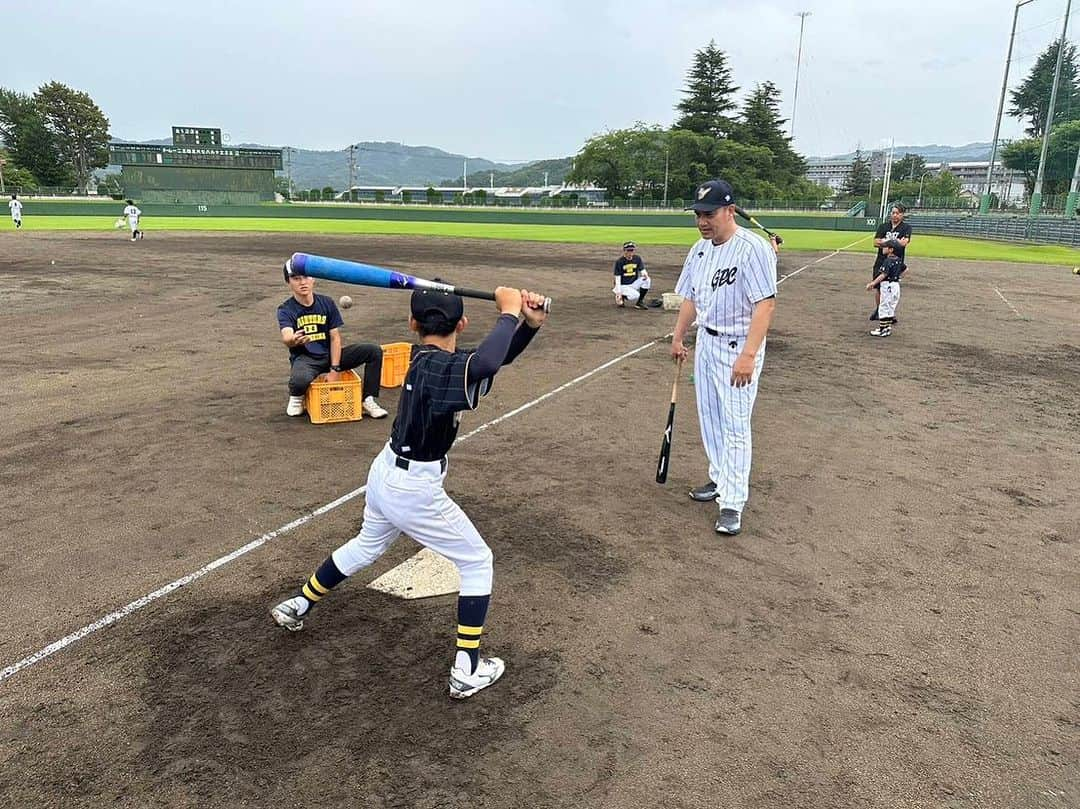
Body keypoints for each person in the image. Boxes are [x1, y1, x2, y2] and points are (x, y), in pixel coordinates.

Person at [270, 283, 549, 699]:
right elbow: (486, 361)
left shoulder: (425, 357)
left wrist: (526, 326)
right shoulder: (446, 367)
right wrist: (508, 313)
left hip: (385, 474)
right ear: (464, 322)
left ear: (412, 324)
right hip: (414, 488)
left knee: (365, 546)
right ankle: (466, 668)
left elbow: (491, 359)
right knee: (477, 561)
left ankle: (299, 603)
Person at [670, 179, 777, 536]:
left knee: (735, 425)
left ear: (730, 211)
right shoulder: (698, 250)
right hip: (707, 343)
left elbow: (765, 303)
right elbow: (690, 298)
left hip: (738, 347)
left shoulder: (753, 248)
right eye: (698, 214)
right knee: (710, 419)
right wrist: (679, 335)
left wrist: (749, 354)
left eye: (709, 213)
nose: (702, 221)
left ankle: (733, 502)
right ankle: (719, 479)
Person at [277, 260, 389, 419]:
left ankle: (367, 400)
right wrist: (293, 340)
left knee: (373, 351)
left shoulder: (326, 303)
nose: (302, 282)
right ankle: (296, 397)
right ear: (288, 281)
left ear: (313, 278)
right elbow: (286, 336)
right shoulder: (286, 309)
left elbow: (335, 337)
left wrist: (335, 369)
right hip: (306, 359)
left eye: (306, 277)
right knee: (299, 380)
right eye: (295, 278)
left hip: (330, 355)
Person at [870, 204, 911, 320]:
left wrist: (885, 241)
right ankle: (879, 310)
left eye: (897, 213)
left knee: (890, 288)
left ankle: (889, 313)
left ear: (902, 214)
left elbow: (904, 243)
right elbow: (875, 242)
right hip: (881, 260)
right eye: (893, 213)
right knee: (878, 287)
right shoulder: (883, 226)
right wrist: (894, 241)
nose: (894, 215)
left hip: (895, 261)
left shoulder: (906, 228)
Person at [866, 239, 906, 337]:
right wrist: (897, 275)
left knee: (884, 306)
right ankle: (887, 328)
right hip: (895, 285)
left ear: (891, 250)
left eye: (885, 246)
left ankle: (882, 329)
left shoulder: (888, 260)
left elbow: (883, 274)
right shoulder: (898, 260)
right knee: (890, 307)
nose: (883, 248)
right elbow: (906, 269)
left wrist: (873, 283)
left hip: (887, 286)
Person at [612, 241, 653, 309]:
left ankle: (639, 303)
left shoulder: (637, 258)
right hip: (623, 285)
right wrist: (618, 292)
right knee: (636, 295)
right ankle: (622, 296)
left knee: (647, 280)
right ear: (624, 251)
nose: (630, 252)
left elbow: (642, 269)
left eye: (632, 250)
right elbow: (617, 278)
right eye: (628, 250)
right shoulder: (619, 262)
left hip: (633, 283)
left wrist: (645, 274)